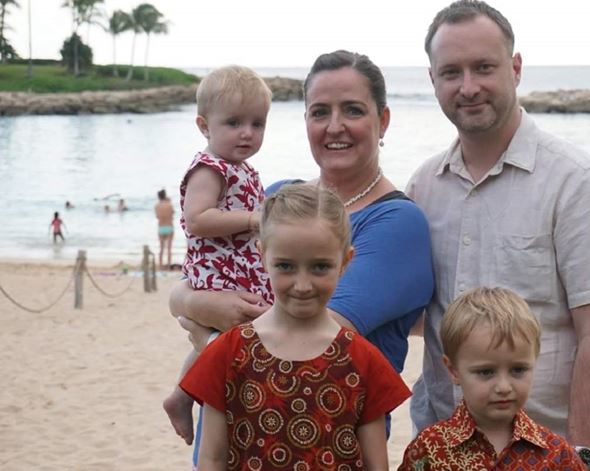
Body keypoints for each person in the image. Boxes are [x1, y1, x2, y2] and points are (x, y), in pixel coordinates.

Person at [168, 51, 434, 463]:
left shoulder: (397, 223)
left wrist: (208, 342)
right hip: (234, 441)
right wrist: (194, 302)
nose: (334, 126)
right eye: (319, 112)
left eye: (353, 110)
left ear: (382, 121)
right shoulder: (276, 197)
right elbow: (195, 279)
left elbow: (298, 337)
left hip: (327, 446)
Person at [406, 2, 590, 470]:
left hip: (548, 454)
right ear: (433, 81)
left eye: (483, 67)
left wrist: (582, 457)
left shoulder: (576, 182)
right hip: (443, 451)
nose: (468, 87)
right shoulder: (423, 187)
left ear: (516, 67)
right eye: (451, 72)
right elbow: (417, 318)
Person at [180, 184, 411, 470]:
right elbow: (212, 459)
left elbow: (376, 465)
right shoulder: (228, 353)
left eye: (320, 267)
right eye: (286, 266)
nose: (303, 285)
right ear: (263, 256)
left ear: (345, 262)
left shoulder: (364, 361)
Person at [162, 65, 275, 447]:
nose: (247, 133)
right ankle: (183, 396)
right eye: (234, 122)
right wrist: (253, 219)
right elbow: (196, 220)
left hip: (241, 268)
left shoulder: (244, 168)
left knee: (222, 337)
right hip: (217, 269)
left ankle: (184, 395)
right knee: (226, 336)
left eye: (257, 123)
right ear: (204, 126)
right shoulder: (209, 168)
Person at [398, 287, 585, 470]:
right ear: (453, 370)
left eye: (518, 370)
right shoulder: (430, 449)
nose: (503, 387)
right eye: (486, 372)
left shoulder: (557, 456)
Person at [154, 189, 175, 269]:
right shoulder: (169, 204)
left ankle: (161, 266)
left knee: (161, 248)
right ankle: (169, 267)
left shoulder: (157, 206)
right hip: (169, 226)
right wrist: (169, 201)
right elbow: (172, 213)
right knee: (169, 249)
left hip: (161, 227)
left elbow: (157, 216)